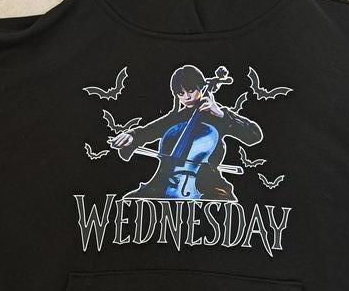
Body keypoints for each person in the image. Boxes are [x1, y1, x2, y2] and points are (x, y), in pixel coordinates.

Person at [110, 65, 263, 201]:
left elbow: (254, 135)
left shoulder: (217, 115)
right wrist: (132, 136)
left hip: (207, 183)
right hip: (165, 179)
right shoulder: (176, 118)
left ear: (201, 88)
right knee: (130, 200)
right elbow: (149, 131)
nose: (187, 97)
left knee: (221, 203)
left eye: (191, 90)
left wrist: (221, 114)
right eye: (181, 93)